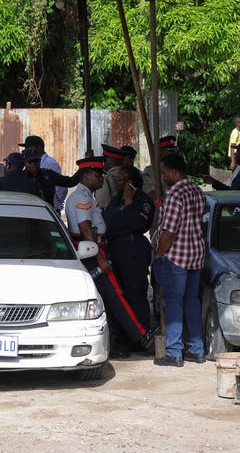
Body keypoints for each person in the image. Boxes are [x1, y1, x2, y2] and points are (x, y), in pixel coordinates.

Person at [65, 156, 156, 359]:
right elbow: (85, 229)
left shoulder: (91, 196)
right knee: (116, 298)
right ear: (86, 175)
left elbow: (134, 222)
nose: (104, 178)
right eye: (98, 174)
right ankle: (140, 336)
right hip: (94, 250)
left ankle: (124, 340)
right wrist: (100, 259)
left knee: (120, 297)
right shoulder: (82, 197)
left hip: (117, 249)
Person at [152, 153, 207, 367]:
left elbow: (169, 232)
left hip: (176, 257)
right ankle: (197, 349)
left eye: (165, 172)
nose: (163, 176)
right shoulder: (197, 190)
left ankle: (174, 352)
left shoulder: (175, 194)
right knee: (192, 301)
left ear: (174, 172)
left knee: (173, 302)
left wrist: (159, 254)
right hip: (196, 254)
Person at [103, 165, 155, 354]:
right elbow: (107, 222)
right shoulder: (116, 199)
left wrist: (129, 202)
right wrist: (123, 207)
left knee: (136, 295)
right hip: (115, 251)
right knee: (120, 296)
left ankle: (140, 338)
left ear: (130, 182)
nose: (115, 181)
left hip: (132, 252)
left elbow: (136, 223)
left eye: (119, 179)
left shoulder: (142, 201)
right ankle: (124, 337)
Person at [19, 135, 67, 213]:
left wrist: (55, 205)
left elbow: (62, 188)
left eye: (29, 147)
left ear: (38, 147)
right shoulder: (32, 161)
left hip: (49, 209)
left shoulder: (49, 163)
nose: (26, 150)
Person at [141, 135, 178, 202]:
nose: (173, 153)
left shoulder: (177, 168)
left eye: (174, 150)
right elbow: (153, 196)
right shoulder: (150, 171)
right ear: (160, 151)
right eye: (170, 151)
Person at [95, 143, 127, 209]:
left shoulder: (107, 178)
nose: (103, 162)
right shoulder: (128, 174)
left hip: (110, 215)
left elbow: (101, 202)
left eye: (105, 159)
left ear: (112, 161)